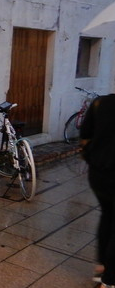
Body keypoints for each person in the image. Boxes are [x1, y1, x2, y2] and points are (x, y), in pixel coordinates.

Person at [80, 92, 115, 288]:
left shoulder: (101, 103)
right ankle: (109, 279)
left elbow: (85, 133)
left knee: (107, 216)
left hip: (99, 174)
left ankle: (101, 266)